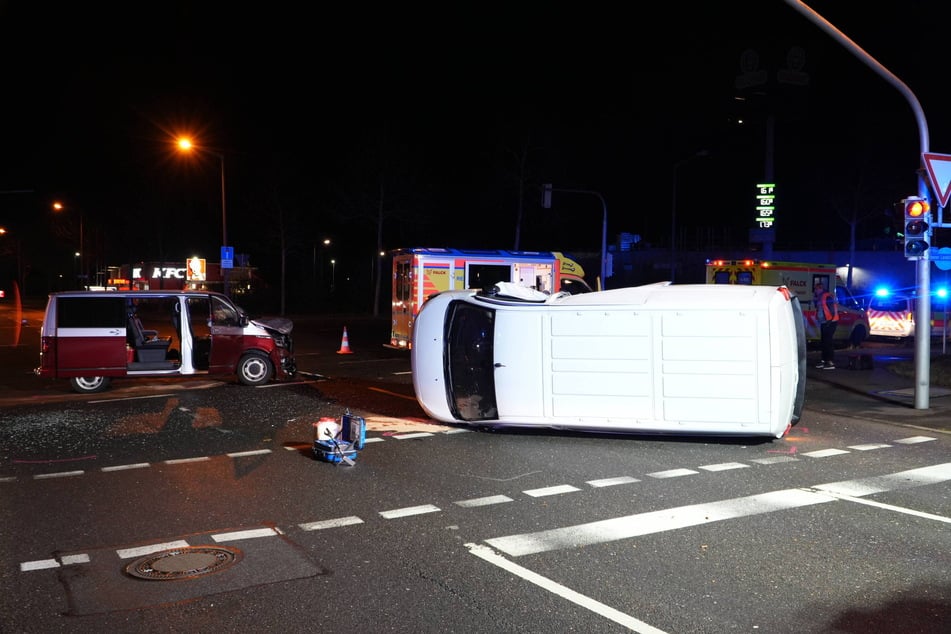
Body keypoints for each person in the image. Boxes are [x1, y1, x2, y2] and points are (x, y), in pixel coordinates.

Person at [814, 281, 839, 369]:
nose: (815, 291)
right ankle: (824, 360)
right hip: (825, 322)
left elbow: (832, 309)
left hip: (829, 322)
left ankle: (830, 362)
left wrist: (829, 321)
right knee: (824, 342)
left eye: (816, 289)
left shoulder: (826, 296)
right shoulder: (821, 297)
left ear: (820, 289)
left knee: (828, 342)